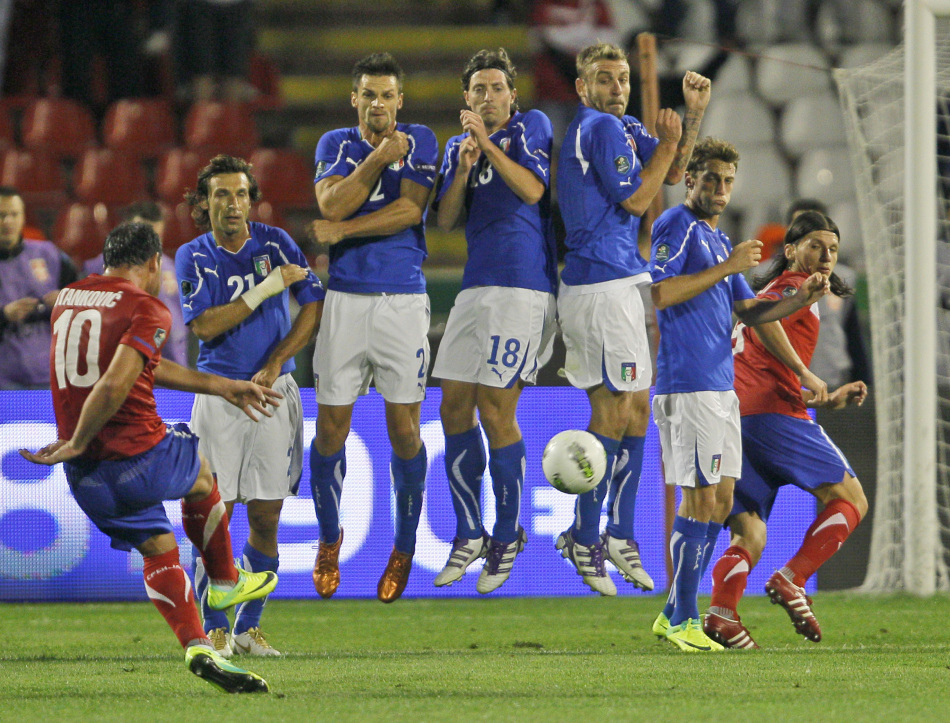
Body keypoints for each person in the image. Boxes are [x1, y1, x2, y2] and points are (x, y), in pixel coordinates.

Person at [19, 222, 281, 693]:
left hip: (87, 479)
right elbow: (117, 382)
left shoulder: (69, 298)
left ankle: (199, 646)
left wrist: (224, 387)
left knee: (158, 549)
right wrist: (79, 438)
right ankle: (223, 581)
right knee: (199, 465)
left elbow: (142, 367)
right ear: (151, 263)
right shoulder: (147, 307)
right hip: (134, 454)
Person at [648, 139, 831, 652]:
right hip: (688, 384)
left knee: (723, 498)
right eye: (710, 179)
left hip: (720, 386)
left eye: (728, 181)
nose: (720, 190)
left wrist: (799, 298)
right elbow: (659, 293)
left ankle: (672, 613)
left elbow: (751, 314)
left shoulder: (716, 236)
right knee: (699, 498)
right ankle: (685, 617)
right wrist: (728, 267)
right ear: (691, 181)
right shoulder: (675, 227)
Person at [554, 42, 710, 596]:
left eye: (622, 79)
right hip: (598, 286)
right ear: (583, 88)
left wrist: (689, 118)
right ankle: (585, 533)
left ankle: (618, 533)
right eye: (605, 79)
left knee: (638, 407)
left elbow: (676, 171)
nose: (617, 87)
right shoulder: (595, 127)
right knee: (614, 409)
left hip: (621, 282)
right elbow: (641, 201)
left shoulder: (620, 129)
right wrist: (668, 140)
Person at [176, 154, 325, 656]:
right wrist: (266, 288)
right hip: (220, 396)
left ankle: (248, 627)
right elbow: (204, 326)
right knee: (217, 516)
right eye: (221, 194)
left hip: (274, 394)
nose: (233, 204)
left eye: (241, 194)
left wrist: (279, 358)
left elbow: (312, 302)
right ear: (204, 203)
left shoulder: (276, 242)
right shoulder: (192, 255)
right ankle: (214, 626)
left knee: (266, 516)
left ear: (251, 198)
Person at [703, 210, 869, 649]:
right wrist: (806, 373)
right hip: (772, 411)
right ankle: (793, 579)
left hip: (737, 414)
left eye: (832, 248)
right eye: (815, 245)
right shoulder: (791, 288)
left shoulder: (779, 293)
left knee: (750, 529)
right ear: (791, 250)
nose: (826, 256)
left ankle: (722, 613)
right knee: (851, 499)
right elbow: (763, 329)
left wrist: (828, 397)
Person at [308, 52, 438, 603]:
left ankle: (403, 545)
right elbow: (330, 204)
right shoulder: (335, 144)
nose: (379, 103)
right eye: (369, 94)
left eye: (387, 94)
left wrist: (342, 233)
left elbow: (411, 211)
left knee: (404, 429)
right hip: (344, 302)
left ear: (400, 100)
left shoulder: (424, 138)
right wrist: (381, 158)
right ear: (354, 98)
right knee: (331, 429)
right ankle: (330, 538)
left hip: (402, 302)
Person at [430, 48, 557, 593]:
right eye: (478, 89)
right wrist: (461, 168)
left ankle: (507, 532)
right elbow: (446, 218)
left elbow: (534, 189)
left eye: (496, 88)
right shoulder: (458, 149)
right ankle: (468, 532)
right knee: (452, 405)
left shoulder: (532, 127)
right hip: (474, 288)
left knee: (495, 407)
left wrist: (486, 146)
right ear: (466, 99)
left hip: (522, 288)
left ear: (512, 95)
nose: (487, 97)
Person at [83, 201, 189, 366]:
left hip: (173, 365)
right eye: (144, 236)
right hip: (129, 367)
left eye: (156, 237)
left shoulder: (172, 267)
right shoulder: (100, 268)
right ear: (126, 228)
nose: (150, 245)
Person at [0, 186, 79, 389]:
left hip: (51, 378)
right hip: (5, 384)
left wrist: (66, 299)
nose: (7, 221)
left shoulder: (49, 255)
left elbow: (84, 299)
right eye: (1, 215)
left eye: (13, 214)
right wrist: (4, 316)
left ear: (23, 217)